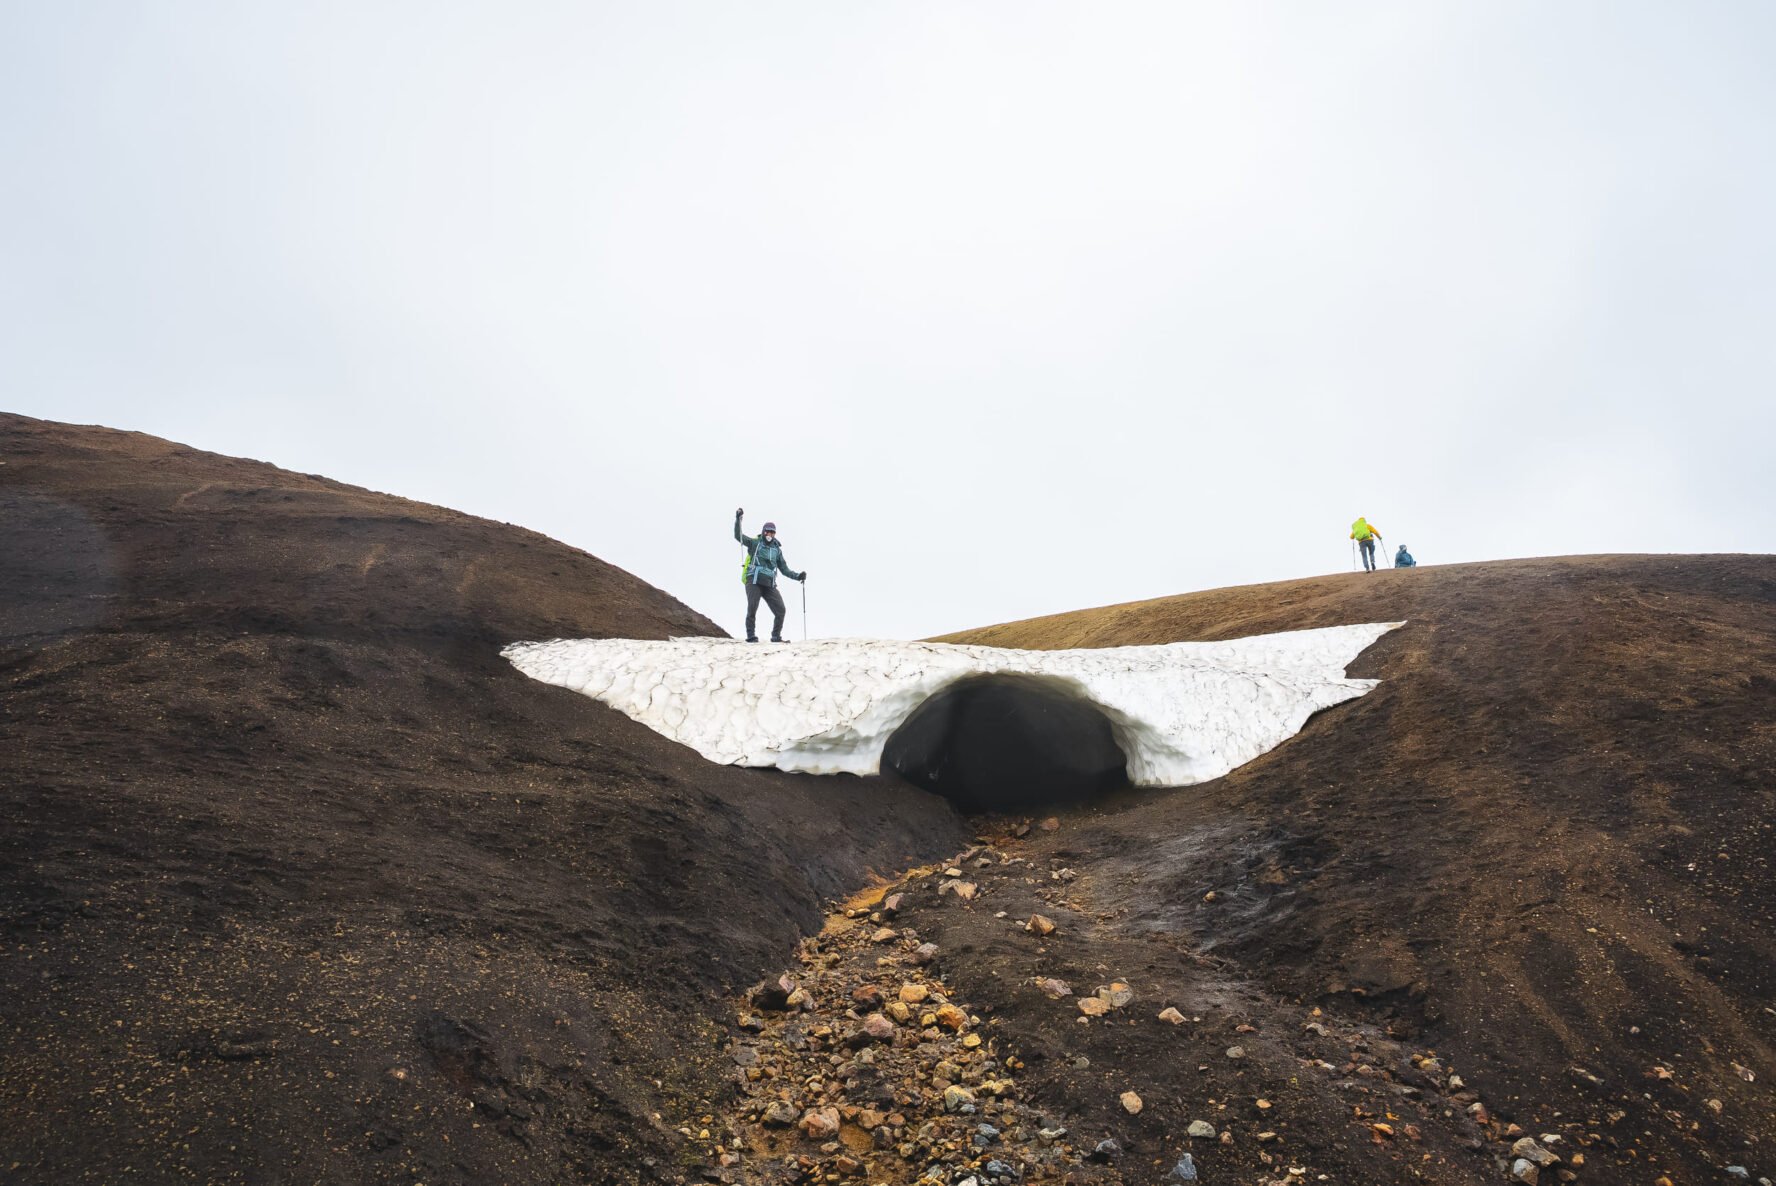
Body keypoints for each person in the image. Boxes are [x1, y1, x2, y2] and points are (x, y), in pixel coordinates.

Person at [734, 508, 806, 642]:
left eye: (772, 532)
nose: (769, 534)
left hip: (769, 584)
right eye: (767, 531)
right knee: (752, 608)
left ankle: (776, 636)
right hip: (754, 581)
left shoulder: (777, 550)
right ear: (763, 531)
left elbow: (784, 569)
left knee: (781, 610)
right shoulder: (755, 543)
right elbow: (739, 536)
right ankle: (751, 636)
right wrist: (738, 519)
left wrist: (798, 576)